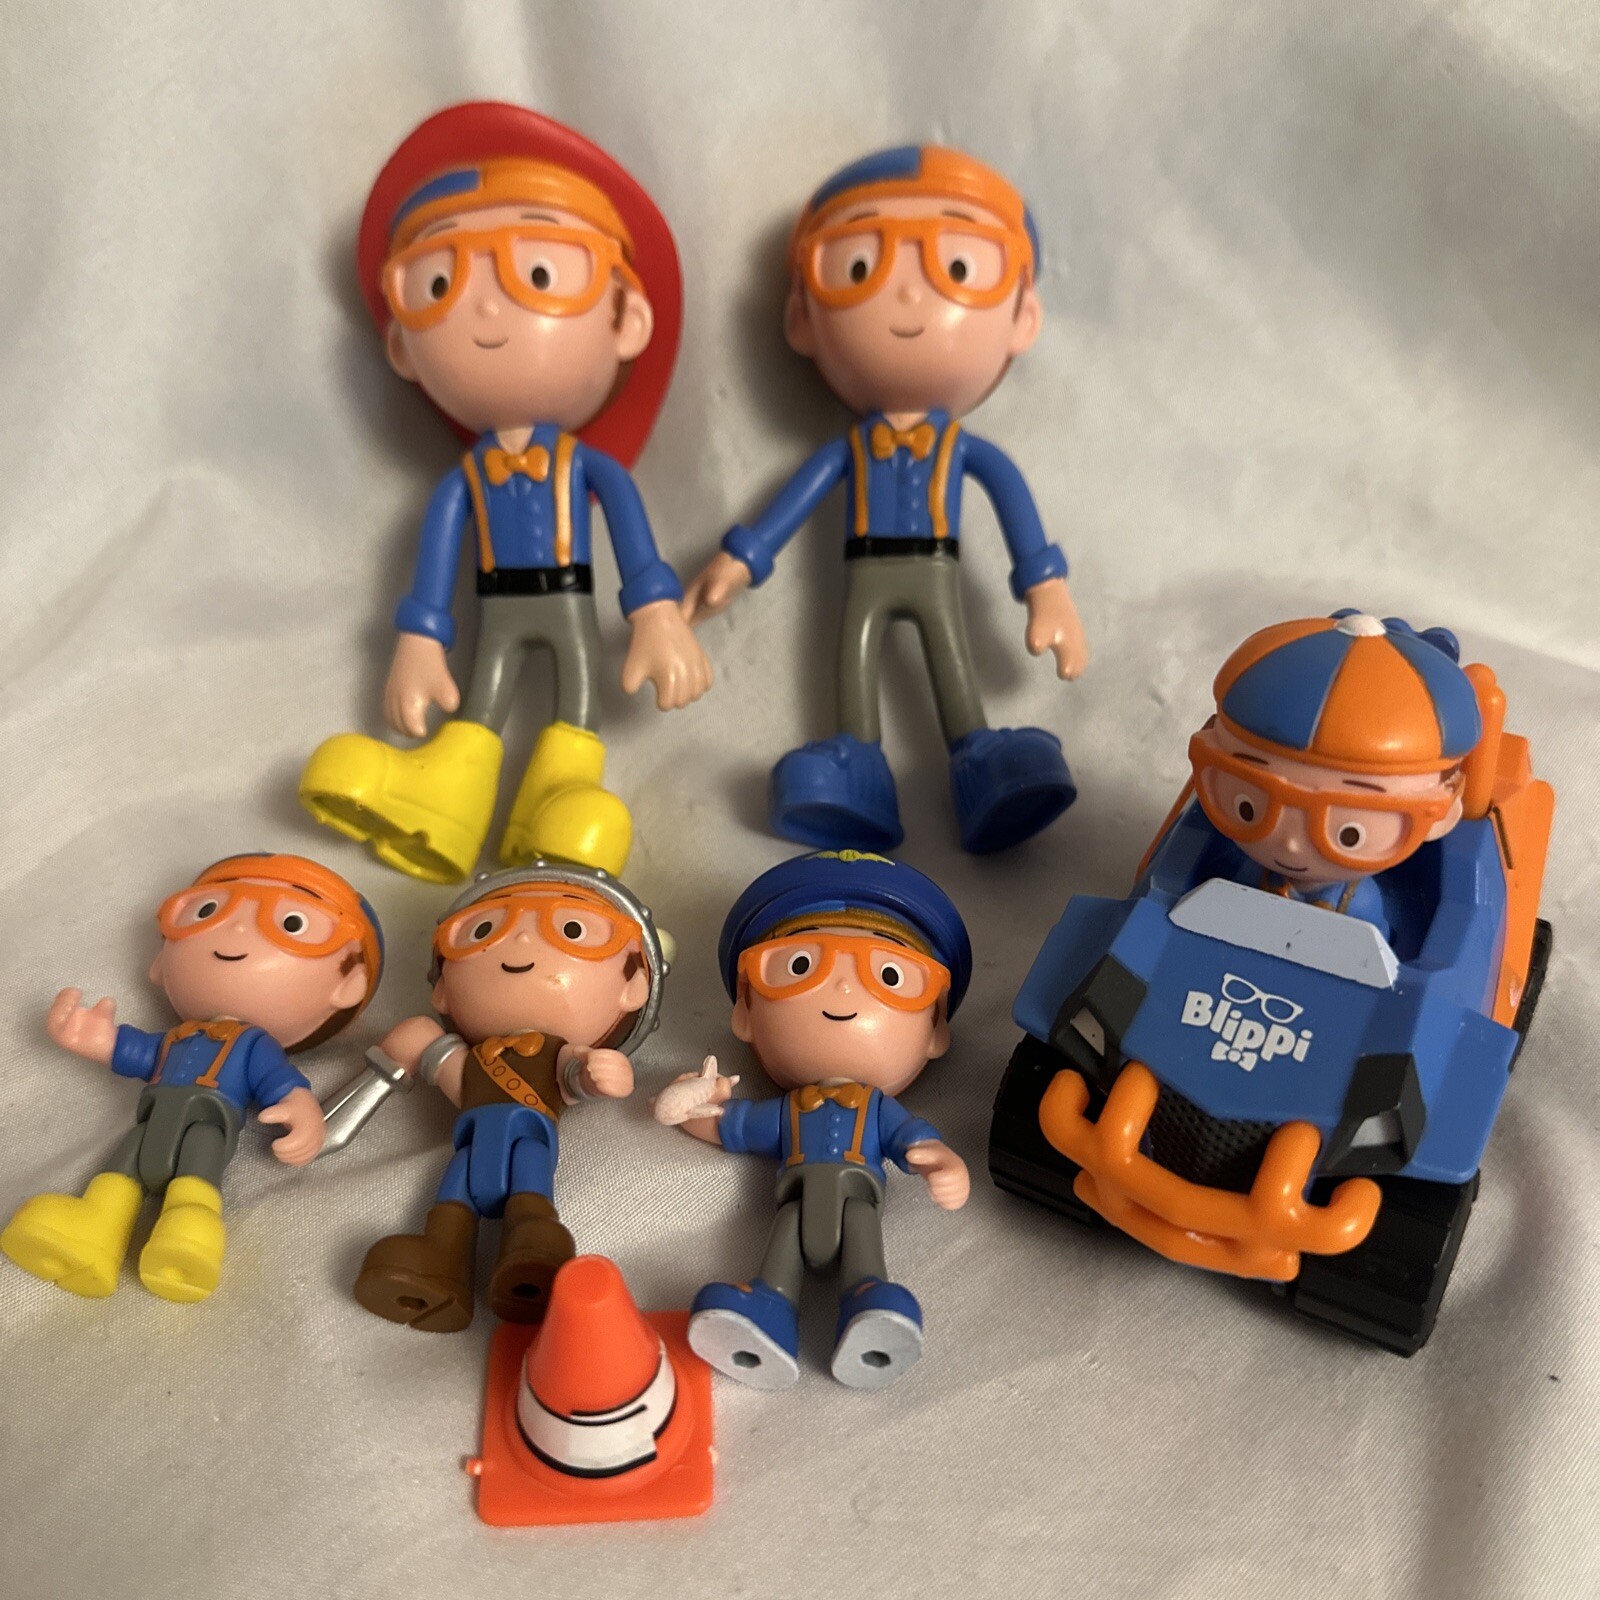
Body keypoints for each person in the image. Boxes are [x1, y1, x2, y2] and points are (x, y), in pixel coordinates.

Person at [301, 103, 711, 884]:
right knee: (482, 701)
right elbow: (433, 566)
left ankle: (558, 803)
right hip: (496, 607)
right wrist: (420, 641)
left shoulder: (591, 469)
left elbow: (634, 541)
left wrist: (658, 614)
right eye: (439, 280)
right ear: (400, 346)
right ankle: (444, 801)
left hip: (568, 601)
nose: (487, 305)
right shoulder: (462, 483)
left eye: (541, 272)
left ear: (627, 318)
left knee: (576, 701)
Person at [684, 145, 1088, 854]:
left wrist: (1047, 589)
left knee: (951, 661)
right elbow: (789, 507)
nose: (908, 294)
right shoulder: (846, 450)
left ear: (1023, 315)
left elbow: (1014, 507)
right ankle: (854, 768)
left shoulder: (966, 450)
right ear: (801, 317)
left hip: (936, 570)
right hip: (865, 573)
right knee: (856, 662)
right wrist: (739, 560)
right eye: (859, 267)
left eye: (956, 265)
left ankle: (980, 759)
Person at [2, 853, 382, 1303]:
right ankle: (93, 1225)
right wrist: (99, 1040)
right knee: (124, 1163)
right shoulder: (178, 1036)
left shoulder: (255, 1044)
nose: (237, 930)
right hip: (152, 1118)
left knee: (198, 1164)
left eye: (290, 923)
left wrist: (301, 1108)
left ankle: (187, 1228)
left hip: (208, 1121)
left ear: (348, 986)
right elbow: (144, 1054)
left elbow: (277, 1078)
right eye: (208, 910)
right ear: (160, 963)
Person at [654, 850, 970, 1390]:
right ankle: (768, 1310)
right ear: (745, 1012)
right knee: (783, 1245)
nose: (843, 988)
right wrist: (688, 1109)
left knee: (864, 1250)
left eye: (888, 975)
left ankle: (870, 1304)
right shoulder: (786, 1111)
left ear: (935, 1028)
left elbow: (911, 1139)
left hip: (858, 1196)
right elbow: (732, 1125)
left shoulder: (877, 1110)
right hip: (795, 1197)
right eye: (801, 965)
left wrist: (942, 1161)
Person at [354, 863, 670, 1332]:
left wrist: (600, 1074)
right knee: (453, 1197)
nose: (521, 939)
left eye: (571, 930)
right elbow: (447, 1069)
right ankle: (439, 1258)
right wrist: (414, 1045)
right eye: (484, 930)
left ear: (633, 988)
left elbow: (574, 1078)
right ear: (442, 990)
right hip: (470, 1143)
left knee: (530, 1192)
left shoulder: (556, 1052)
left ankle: (532, 1246)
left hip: (529, 1139)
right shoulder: (472, 1056)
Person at [1186, 609, 1483, 943]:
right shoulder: (1246, 874)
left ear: (1443, 814)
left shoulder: (1358, 904)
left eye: (1349, 834)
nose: (1291, 844)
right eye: (1249, 807)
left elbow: (1369, 954)